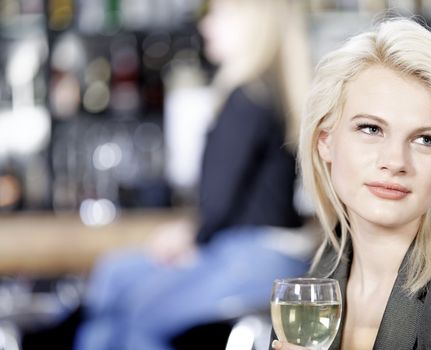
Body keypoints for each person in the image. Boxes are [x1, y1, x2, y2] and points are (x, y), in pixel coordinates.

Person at [270, 18, 431, 350]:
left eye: (425, 139)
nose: (395, 161)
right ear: (325, 141)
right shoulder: (307, 294)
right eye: (371, 129)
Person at [74, 1, 315, 350]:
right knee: (117, 279)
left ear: (251, 24)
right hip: (267, 256)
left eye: (217, 15)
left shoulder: (246, 99)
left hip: (250, 257)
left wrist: (193, 238)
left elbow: (218, 202)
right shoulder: (268, 93)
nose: (206, 27)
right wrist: (197, 236)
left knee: (134, 309)